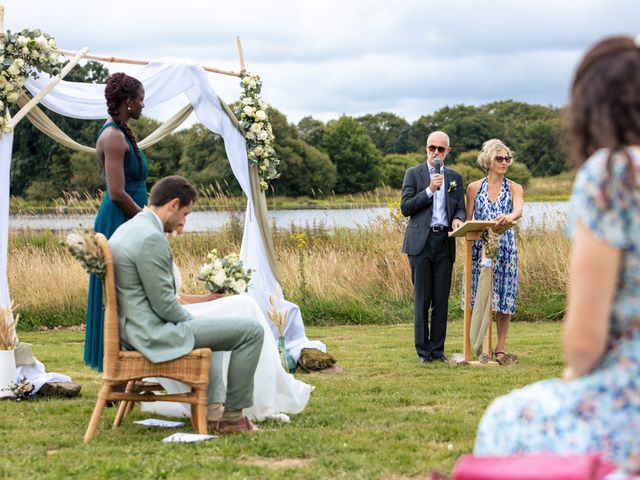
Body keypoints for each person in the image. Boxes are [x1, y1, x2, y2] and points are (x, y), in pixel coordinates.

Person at [474, 36, 640, 473]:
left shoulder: (613, 175)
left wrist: (575, 374)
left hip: (629, 395)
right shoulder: (476, 188)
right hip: (485, 249)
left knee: (503, 422)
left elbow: (584, 344)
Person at [109, 176, 264, 433]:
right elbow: (166, 308)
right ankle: (233, 418)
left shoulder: (127, 229)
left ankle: (212, 412)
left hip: (134, 327)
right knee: (250, 332)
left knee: (215, 330)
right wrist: (198, 321)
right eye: (185, 213)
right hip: (151, 333)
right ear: (173, 204)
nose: (183, 221)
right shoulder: (151, 238)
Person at [141, 222, 312, 421]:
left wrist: (206, 299)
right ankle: (266, 391)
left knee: (245, 305)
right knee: (245, 306)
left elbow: (176, 296)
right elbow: (168, 302)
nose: (184, 224)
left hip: (180, 309)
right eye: (184, 215)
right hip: (176, 317)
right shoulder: (152, 246)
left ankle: (270, 384)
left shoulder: (158, 243)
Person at [85, 73, 148, 371]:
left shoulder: (122, 132)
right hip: (119, 219)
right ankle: (112, 366)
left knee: (132, 289)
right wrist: (148, 218)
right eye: (140, 99)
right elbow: (117, 192)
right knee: (115, 291)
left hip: (131, 215)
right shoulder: (111, 136)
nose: (143, 105)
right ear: (128, 101)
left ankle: (132, 361)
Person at [401, 131, 466, 363]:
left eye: (441, 149)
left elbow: (460, 207)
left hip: (445, 241)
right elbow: (406, 207)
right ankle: (423, 352)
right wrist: (429, 189)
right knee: (422, 299)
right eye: (432, 148)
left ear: (448, 151)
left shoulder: (455, 177)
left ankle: (438, 351)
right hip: (421, 242)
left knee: (441, 300)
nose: (436, 153)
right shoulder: (413, 174)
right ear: (426, 149)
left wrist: (458, 218)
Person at [464, 139, 523, 364]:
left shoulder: (515, 187)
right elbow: (469, 219)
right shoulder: (473, 188)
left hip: (505, 247)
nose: (504, 162)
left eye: (507, 159)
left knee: (504, 298)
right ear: (488, 160)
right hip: (479, 248)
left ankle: (500, 348)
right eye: (499, 158)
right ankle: (478, 345)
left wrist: (509, 216)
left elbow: (518, 209)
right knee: (480, 295)